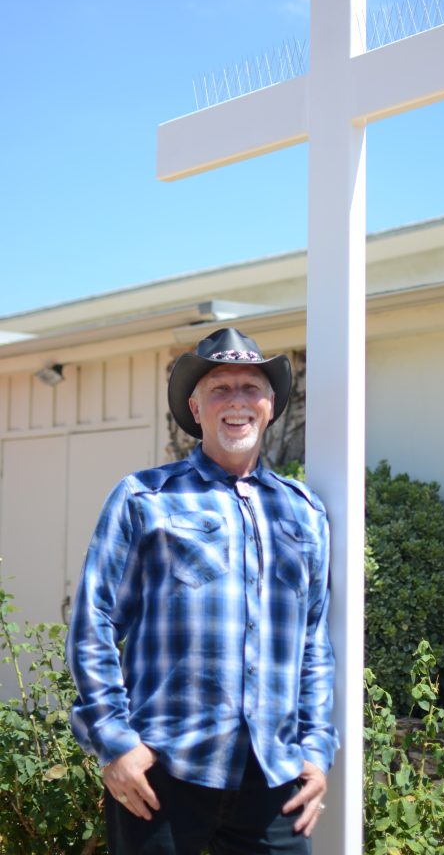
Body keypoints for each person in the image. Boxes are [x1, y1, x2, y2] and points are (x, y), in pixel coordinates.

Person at [66, 326, 338, 855]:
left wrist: (315, 747)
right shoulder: (144, 498)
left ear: (271, 404)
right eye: (220, 389)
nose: (237, 402)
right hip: (164, 773)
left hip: (273, 778)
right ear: (196, 408)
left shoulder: (304, 511)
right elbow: (93, 624)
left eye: (250, 387)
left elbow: (314, 642)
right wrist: (115, 744)